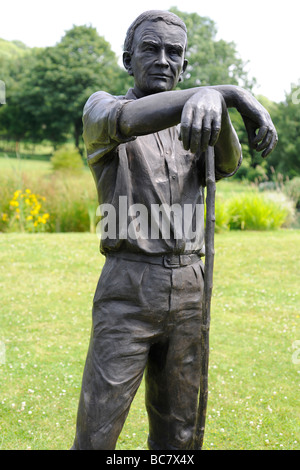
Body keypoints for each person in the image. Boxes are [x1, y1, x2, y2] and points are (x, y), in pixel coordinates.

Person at [71, 10, 277, 450]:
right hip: (128, 287)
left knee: (181, 433)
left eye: (175, 53)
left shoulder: (198, 119)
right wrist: (228, 92)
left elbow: (227, 163)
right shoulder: (101, 108)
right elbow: (129, 119)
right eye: (151, 48)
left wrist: (212, 102)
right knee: (97, 431)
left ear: (183, 65)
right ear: (128, 58)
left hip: (189, 289)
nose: (164, 59)